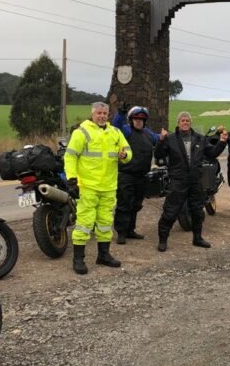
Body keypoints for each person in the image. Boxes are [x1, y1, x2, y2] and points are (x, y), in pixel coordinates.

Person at [64, 102, 132, 274]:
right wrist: (72, 179)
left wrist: (125, 155)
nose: (101, 116)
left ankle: (103, 255)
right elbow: (70, 156)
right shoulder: (82, 132)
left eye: (104, 113)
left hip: (108, 187)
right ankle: (78, 259)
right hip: (88, 186)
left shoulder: (115, 132)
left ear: (108, 115)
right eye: (98, 113)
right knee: (84, 223)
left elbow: (128, 151)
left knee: (105, 222)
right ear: (92, 114)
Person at [155, 111, 227, 252]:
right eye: (182, 120)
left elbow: (212, 153)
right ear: (178, 123)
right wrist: (161, 140)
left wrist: (222, 142)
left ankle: (197, 238)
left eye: (187, 120)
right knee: (170, 211)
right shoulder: (170, 139)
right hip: (178, 181)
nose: (185, 122)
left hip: (195, 181)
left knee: (197, 211)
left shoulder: (200, 138)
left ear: (190, 123)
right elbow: (158, 155)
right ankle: (163, 240)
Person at [112, 104, 167, 244]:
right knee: (124, 204)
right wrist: (121, 113)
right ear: (131, 120)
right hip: (126, 175)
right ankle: (121, 232)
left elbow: (159, 138)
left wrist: (164, 136)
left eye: (141, 119)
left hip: (142, 176)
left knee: (136, 204)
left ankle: (130, 230)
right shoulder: (126, 131)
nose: (138, 121)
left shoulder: (148, 133)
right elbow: (116, 127)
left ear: (144, 121)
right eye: (136, 119)